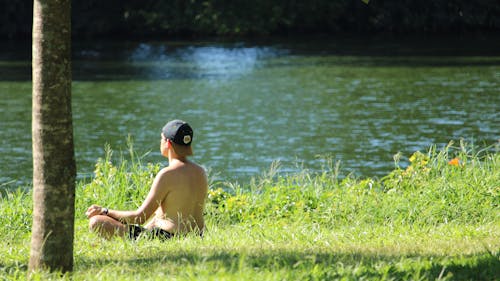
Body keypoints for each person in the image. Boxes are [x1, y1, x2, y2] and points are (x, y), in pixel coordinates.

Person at [85, 119, 208, 240]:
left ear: (168, 143)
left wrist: (104, 211)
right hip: (198, 235)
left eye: (161, 138)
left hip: (168, 237)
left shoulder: (167, 174)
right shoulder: (200, 172)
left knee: (96, 222)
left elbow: (140, 217)